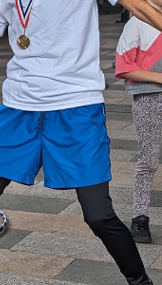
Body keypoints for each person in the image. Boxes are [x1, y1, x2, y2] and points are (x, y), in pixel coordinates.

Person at [0, 0, 162, 284]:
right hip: (17, 110)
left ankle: (140, 281)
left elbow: (141, 6)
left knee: (98, 215)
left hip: (77, 109)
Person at [115, 0, 162, 244]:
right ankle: (140, 216)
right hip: (148, 97)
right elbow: (123, 67)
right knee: (148, 159)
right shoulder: (136, 23)